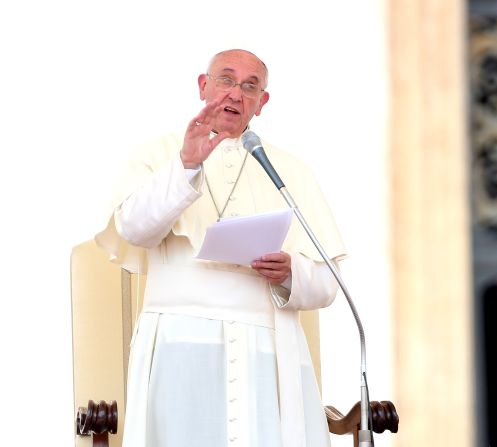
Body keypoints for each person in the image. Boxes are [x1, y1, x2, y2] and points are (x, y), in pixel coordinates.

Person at [95, 49, 346, 447]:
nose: (236, 93)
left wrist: (290, 273)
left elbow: (328, 285)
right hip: (179, 346)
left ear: (262, 102)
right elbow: (134, 230)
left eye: (250, 86)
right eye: (226, 80)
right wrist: (186, 166)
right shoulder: (157, 153)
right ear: (203, 86)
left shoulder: (288, 169)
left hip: (269, 354)